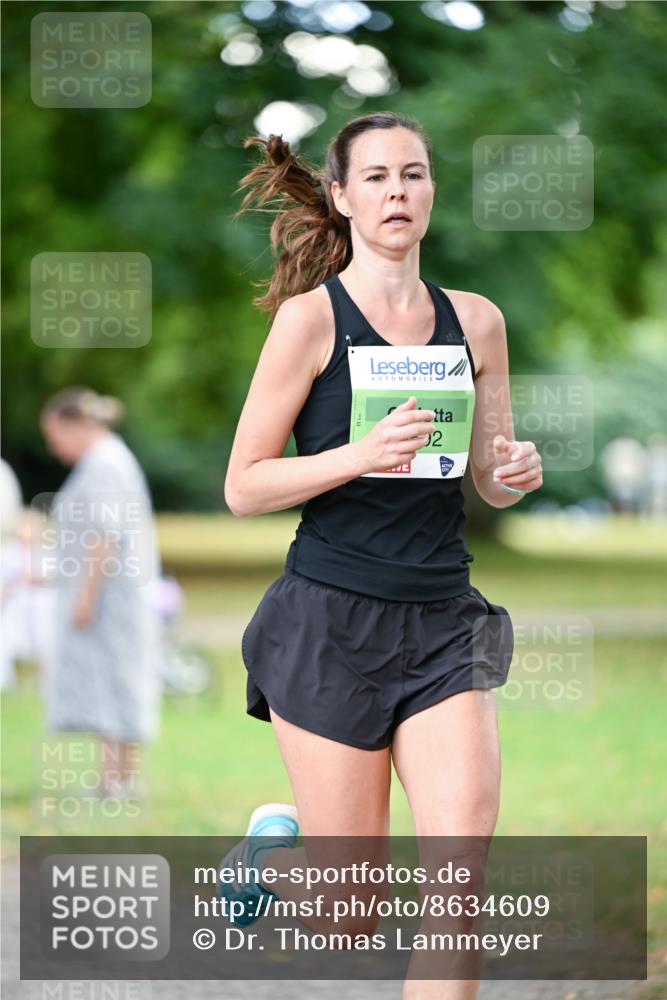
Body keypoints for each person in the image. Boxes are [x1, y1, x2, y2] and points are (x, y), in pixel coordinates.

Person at [220, 112, 543, 997]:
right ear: (341, 196)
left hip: (443, 621)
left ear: (431, 191)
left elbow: (489, 475)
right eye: (375, 178)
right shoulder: (308, 322)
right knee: (348, 913)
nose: (397, 191)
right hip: (328, 622)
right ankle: (272, 849)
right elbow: (244, 486)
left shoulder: (474, 322)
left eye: (413, 174)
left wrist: (515, 469)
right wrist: (357, 456)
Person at [39, 387, 161, 797]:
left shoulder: (105, 464)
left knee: (113, 680)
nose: (53, 447)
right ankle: (116, 776)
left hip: (112, 595)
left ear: (75, 425)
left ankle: (117, 779)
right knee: (112, 679)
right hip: (111, 592)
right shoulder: (106, 460)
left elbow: (104, 537)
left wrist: (85, 597)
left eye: (54, 435)